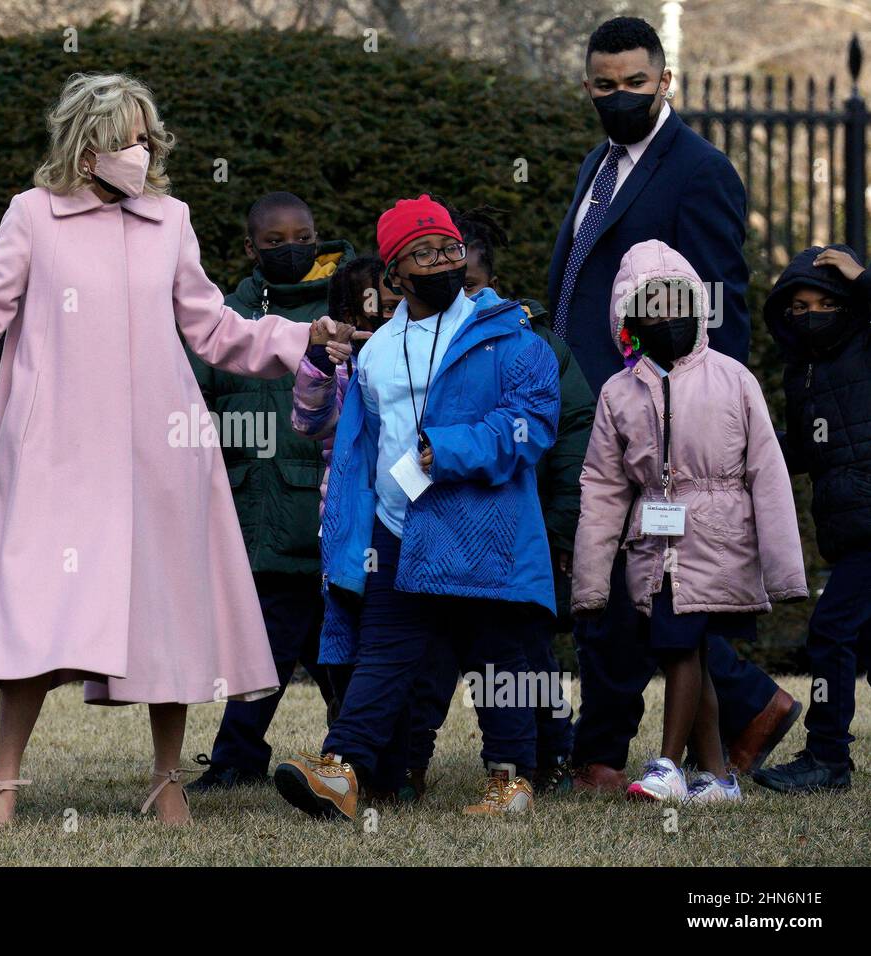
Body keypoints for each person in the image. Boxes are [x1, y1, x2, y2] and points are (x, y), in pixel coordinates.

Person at [0, 73, 323, 827]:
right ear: (87, 148)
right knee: (38, 609)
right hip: (54, 451)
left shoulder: (171, 219)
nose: (142, 149)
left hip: (161, 450)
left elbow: (215, 327)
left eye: (148, 134)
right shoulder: (32, 216)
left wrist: (302, 337)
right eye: (127, 136)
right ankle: (5, 779)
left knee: (168, 609)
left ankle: (166, 780)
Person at [547, 15, 799, 789]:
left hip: (663, 421)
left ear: (665, 82)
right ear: (587, 86)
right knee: (624, 585)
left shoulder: (699, 169)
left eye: (634, 82)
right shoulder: (600, 162)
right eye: (603, 84)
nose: (618, 95)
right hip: (594, 407)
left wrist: (696, 421)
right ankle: (742, 709)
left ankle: (607, 750)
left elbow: (721, 305)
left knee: (643, 586)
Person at [272, 195, 560, 819]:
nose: (442, 261)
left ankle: (510, 780)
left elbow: (533, 423)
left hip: (481, 523)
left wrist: (448, 449)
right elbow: (337, 434)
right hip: (396, 528)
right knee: (383, 652)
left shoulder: (509, 334)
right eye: (422, 253)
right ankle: (342, 771)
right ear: (394, 272)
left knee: (497, 656)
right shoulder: (375, 351)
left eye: (450, 249)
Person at [571, 240, 807, 804]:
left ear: (698, 305)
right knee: (689, 654)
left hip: (719, 545)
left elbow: (767, 473)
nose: (666, 317)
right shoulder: (618, 393)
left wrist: (784, 572)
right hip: (655, 550)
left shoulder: (733, 380)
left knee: (682, 649)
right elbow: (603, 489)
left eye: (677, 302)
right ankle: (718, 777)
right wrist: (590, 581)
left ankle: (668, 765)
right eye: (650, 306)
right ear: (628, 316)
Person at [402, 209, 594, 800]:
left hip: (507, 536)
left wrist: (562, 530)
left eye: (470, 282)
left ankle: (533, 764)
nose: (463, 294)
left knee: (513, 665)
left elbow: (557, 438)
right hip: (437, 539)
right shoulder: (409, 344)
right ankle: (404, 768)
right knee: (430, 664)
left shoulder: (525, 342)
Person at [187, 192, 355, 792]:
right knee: (271, 638)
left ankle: (346, 752)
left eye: (303, 236)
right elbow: (195, 405)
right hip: (256, 512)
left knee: (331, 641)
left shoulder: (348, 309)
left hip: (331, 505)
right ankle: (248, 755)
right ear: (250, 248)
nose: (292, 249)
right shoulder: (226, 314)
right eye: (276, 242)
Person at [755, 245, 871, 793]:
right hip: (847, 527)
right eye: (798, 306)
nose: (810, 315)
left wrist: (862, 277)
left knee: (831, 633)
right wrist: (741, 448)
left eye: (825, 301)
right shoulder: (801, 370)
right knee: (843, 634)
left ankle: (828, 758)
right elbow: (801, 450)